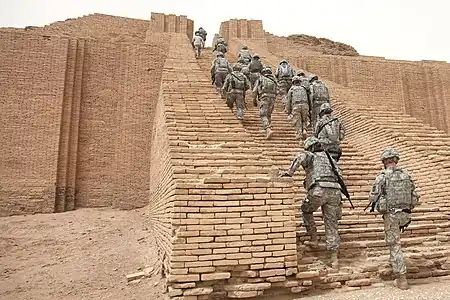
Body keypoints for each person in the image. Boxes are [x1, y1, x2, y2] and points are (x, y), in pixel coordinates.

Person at [282, 137, 342, 269]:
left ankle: (314, 238)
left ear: (310, 147)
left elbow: (300, 157)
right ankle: (334, 259)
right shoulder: (331, 159)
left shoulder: (310, 155)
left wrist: (289, 173)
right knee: (331, 224)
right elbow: (340, 177)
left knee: (306, 210)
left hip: (318, 190)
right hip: (335, 192)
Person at [368, 148, 420, 290]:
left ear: (384, 162)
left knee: (395, 244)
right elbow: (414, 194)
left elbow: (373, 197)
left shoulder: (382, 177)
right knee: (396, 244)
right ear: (396, 160)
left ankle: (401, 278)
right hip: (406, 214)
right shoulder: (407, 175)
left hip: (391, 215)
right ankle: (395, 263)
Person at [252, 67, 277, 140]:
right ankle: (267, 129)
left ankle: (268, 129)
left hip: (264, 97)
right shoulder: (274, 80)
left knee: (263, 114)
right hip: (272, 98)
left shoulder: (261, 79)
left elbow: (254, 91)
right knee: (268, 114)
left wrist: (254, 100)